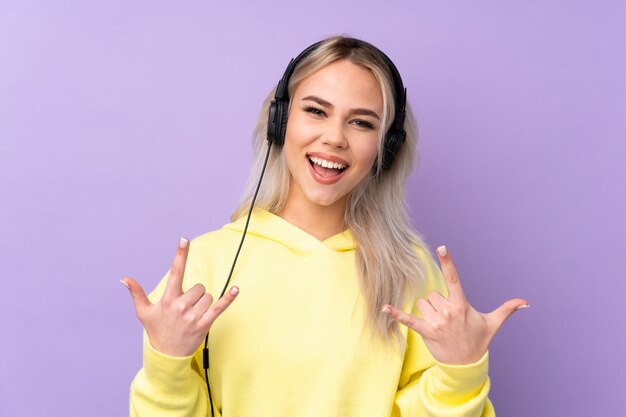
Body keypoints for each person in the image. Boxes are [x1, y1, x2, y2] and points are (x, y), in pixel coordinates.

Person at [122, 36, 528, 417]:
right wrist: (166, 367)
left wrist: (462, 372)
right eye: (316, 111)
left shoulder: (410, 271)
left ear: (386, 148)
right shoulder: (205, 264)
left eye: (362, 123)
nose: (334, 138)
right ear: (280, 122)